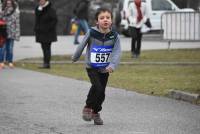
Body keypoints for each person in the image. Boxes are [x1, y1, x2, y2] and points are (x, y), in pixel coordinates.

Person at [72, 7, 121, 125]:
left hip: (105, 68)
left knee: (102, 92)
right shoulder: (92, 32)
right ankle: (88, 107)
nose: (105, 20)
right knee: (97, 87)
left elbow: (117, 51)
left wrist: (112, 65)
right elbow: (82, 45)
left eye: (108, 18)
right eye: (102, 18)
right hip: (92, 67)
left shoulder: (114, 36)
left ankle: (95, 112)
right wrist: (75, 57)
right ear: (97, 21)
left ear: (111, 20)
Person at [34, 0, 57, 69]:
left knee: (47, 48)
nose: (41, 2)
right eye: (40, 1)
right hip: (41, 32)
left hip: (48, 33)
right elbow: (37, 17)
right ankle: (45, 63)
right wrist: (39, 9)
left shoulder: (50, 9)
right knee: (43, 48)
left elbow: (55, 20)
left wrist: (47, 28)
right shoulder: (39, 8)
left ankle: (47, 63)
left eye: (42, 0)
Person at [0, 0, 20, 69]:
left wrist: (17, 35)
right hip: (3, 32)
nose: (8, 4)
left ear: (12, 3)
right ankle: (1, 62)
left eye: (10, 3)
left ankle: (10, 62)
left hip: (12, 32)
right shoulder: (2, 10)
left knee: (10, 48)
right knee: (2, 48)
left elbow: (17, 24)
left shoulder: (16, 11)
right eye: (7, 2)